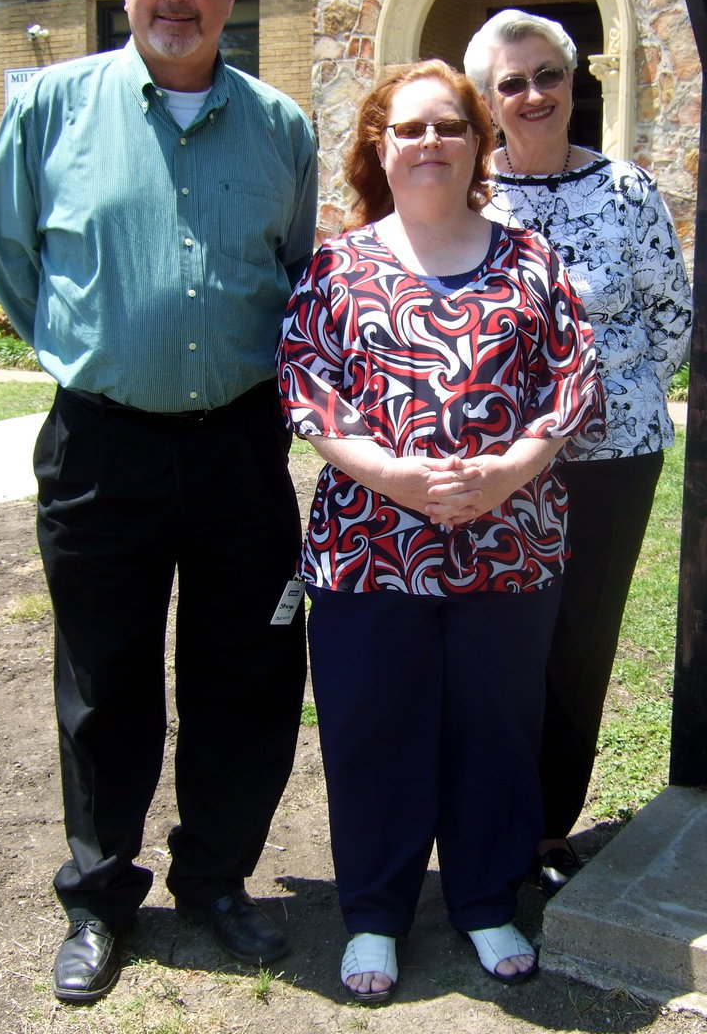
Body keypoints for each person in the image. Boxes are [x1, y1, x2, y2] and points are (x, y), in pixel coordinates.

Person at [0, 0, 316, 1003]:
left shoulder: (283, 129)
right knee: (104, 680)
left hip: (239, 450)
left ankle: (217, 879)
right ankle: (99, 894)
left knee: (247, 675)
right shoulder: (48, 107)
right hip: (102, 449)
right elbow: (15, 258)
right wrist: (103, 353)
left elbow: (297, 269)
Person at [277, 59, 605, 1003]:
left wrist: (505, 471)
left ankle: (484, 897)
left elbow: (571, 378)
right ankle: (375, 913)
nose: (429, 143)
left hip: (511, 546)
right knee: (372, 730)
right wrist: (392, 476)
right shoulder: (338, 264)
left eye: (449, 127)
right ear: (381, 149)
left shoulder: (528, 259)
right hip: (368, 548)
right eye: (409, 129)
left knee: (495, 730)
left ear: (478, 144)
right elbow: (304, 381)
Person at [464, 10, 693, 896]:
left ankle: (546, 828)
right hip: (496, 464)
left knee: (579, 641)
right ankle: (487, 814)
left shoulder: (627, 190)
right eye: (511, 83)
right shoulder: (471, 193)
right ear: (489, 100)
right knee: (498, 641)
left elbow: (671, 315)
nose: (532, 95)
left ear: (574, 84)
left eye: (547, 75)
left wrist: (597, 398)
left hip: (612, 458)